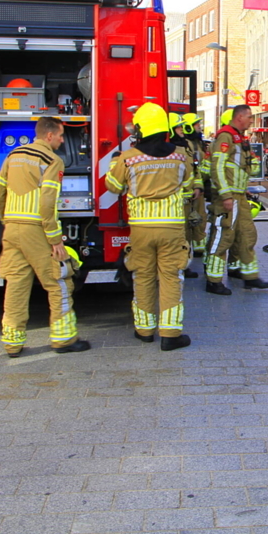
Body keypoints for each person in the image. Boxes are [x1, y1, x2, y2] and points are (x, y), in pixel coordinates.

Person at [0, 117, 89, 357]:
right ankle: (64, 339)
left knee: (16, 284)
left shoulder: (13, 156)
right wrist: (55, 239)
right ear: (49, 136)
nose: (62, 140)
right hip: (36, 229)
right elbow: (47, 203)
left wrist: (7, 219)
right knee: (58, 281)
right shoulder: (51, 161)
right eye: (61, 135)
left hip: (12, 228)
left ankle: (12, 344)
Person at [106, 104, 192, 351]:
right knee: (171, 276)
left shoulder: (129, 157)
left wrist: (115, 165)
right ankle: (171, 335)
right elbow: (187, 183)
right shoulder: (180, 154)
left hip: (141, 227)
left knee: (142, 276)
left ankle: (144, 330)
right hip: (172, 227)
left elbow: (113, 186)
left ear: (143, 128)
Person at [205, 105, 268, 295]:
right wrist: (226, 194)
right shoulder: (225, 137)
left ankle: (250, 277)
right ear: (239, 117)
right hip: (228, 197)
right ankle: (213, 280)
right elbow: (217, 168)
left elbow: (241, 168)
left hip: (239, 196)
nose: (252, 120)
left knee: (247, 235)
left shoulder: (239, 139)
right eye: (249, 117)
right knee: (223, 238)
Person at [168, 113, 203, 278]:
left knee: (188, 235)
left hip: (190, 199)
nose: (181, 130)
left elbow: (196, 168)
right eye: (178, 127)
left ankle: (184, 264)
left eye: (182, 126)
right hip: (176, 201)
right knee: (178, 235)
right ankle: (177, 265)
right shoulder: (167, 148)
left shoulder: (188, 145)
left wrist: (198, 185)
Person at [181, 113, 209, 258]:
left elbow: (200, 166)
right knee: (187, 221)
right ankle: (186, 250)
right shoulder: (186, 145)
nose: (199, 126)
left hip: (198, 188)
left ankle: (199, 247)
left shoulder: (198, 143)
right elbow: (191, 168)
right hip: (188, 191)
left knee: (200, 218)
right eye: (197, 124)